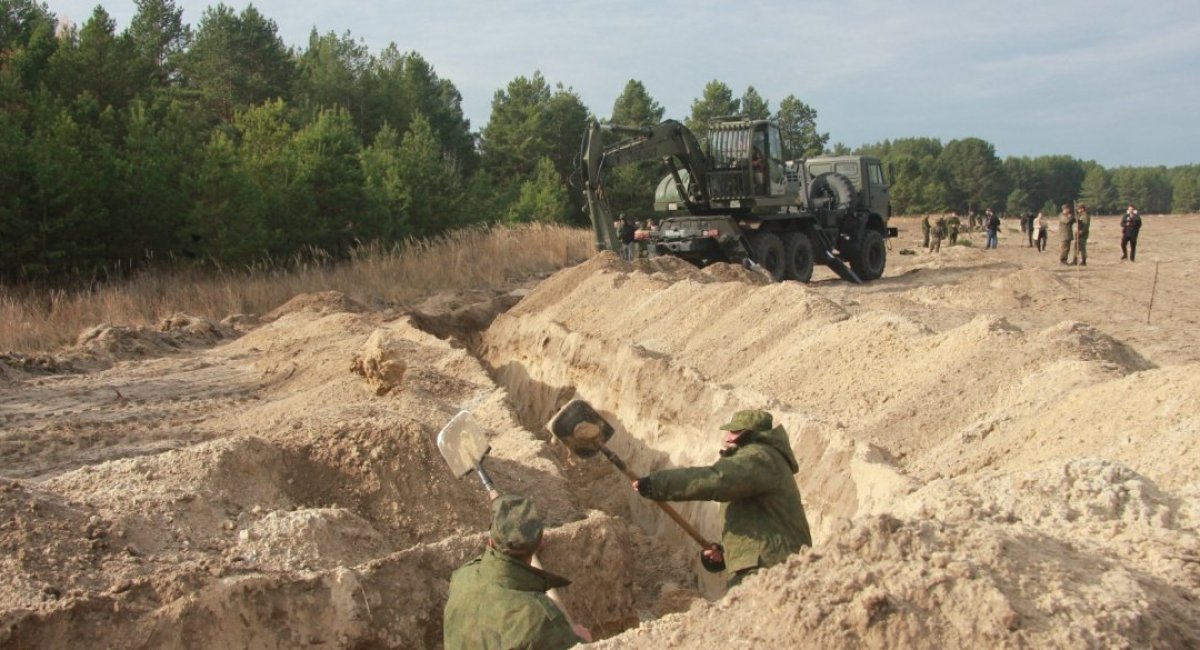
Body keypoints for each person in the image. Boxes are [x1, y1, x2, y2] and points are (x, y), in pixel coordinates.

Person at [631, 409, 812, 588]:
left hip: (770, 568)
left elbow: (718, 479)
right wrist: (726, 555)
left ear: (751, 435)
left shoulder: (759, 457)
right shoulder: (760, 461)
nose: (727, 437)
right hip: (766, 563)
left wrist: (658, 484)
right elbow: (760, 529)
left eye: (735, 432)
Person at [443, 494, 588, 649]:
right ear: (540, 543)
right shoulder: (540, 618)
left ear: (490, 540)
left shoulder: (462, 576)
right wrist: (580, 641)